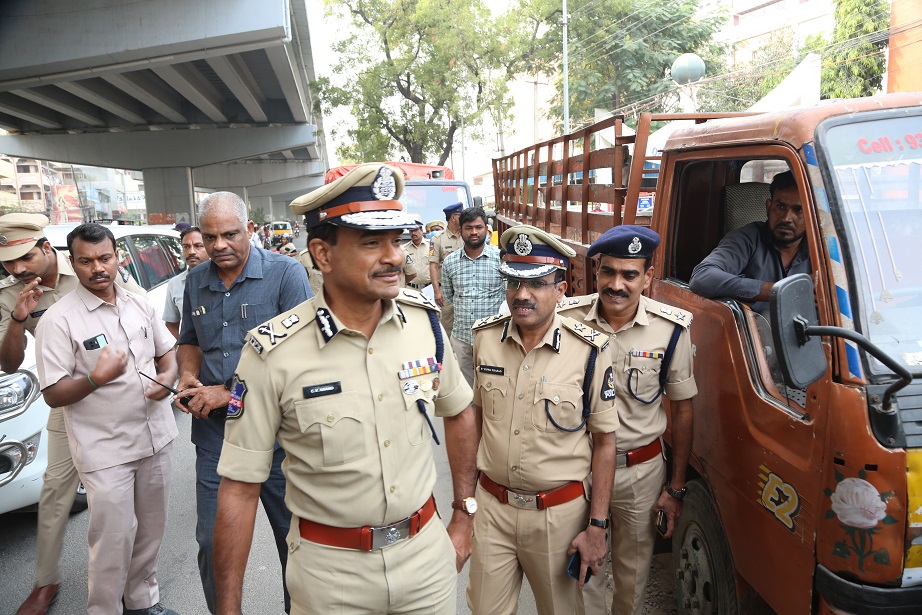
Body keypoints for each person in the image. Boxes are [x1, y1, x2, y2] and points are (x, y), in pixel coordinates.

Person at [212, 163, 478, 614]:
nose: (394, 257)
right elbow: (239, 488)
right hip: (330, 578)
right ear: (323, 254)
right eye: (372, 243)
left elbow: (460, 412)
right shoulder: (273, 353)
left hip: (426, 563)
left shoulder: (425, 326)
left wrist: (463, 516)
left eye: (396, 240)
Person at [467, 224, 619, 615]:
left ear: (561, 288)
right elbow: (478, 423)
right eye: (513, 282)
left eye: (536, 283)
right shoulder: (485, 339)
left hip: (559, 518)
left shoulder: (589, 351)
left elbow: (605, 443)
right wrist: (465, 506)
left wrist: (597, 527)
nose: (522, 295)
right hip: (493, 509)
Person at [0, 213, 147, 615]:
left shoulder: (91, 262)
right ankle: (45, 581)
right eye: (8, 262)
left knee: (127, 494)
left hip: (121, 395)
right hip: (69, 398)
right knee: (54, 490)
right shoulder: (11, 293)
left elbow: (138, 313)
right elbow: (9, 363)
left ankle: (130, 581)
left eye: (26, 257)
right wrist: (18, 319)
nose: (18, 269)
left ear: (47, 247)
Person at [175, 192, 312, 614]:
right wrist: (187, 374)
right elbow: (189, 340)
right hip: (216, 438)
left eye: (230, 234)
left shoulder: (286, 274)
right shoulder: (196, 279)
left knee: (296, 541)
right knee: (212, 543)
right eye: (210, 237)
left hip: (279, 440)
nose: (219, 245)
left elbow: (301, 357)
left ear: (250, 229)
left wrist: (229, 391)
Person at [34, 223, 179, 615]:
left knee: (150, 530)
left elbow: (167, 352)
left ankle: (142, 603)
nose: (97, 268)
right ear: (72, 263)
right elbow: (53, 393)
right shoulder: (58, 320)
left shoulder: (138, 304)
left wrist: (168, 378)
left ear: (118, 258)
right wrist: (96, 378)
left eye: (105, 258)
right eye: (86, 261)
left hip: (156, 436)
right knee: (113, 540)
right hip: (105, 448)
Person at [558, 225, 697, 615]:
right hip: (577, 469)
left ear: (647, 278)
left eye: (629, 275)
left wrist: (676, 488)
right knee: (582, 575)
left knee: (632, 578)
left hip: (640, 474)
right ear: (596, 270)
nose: (616, 285)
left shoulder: (671, 330)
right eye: (608, 271)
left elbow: (683, 410)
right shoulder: (566, 321)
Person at [688, 170, 810, 313]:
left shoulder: (822, 250)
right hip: (752, 326)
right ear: (768, 207)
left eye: (798, 210)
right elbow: (702, 277)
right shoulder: (747, 238)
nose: (786, 218)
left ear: (812, 215)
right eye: (780, 207)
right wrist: (779, 290)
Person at [441, 206, 503, 386]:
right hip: (462, 338)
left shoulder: (500, 259)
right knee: (466, 389)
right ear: (460, 230)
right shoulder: (450, 262)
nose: (474, 232)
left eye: (478, 227)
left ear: (486, 228)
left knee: (492, 386)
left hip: (492, 337)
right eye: (468, 228)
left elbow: (507, 294)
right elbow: (449, 296)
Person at [163, 226, 209, 341]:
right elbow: (172, 325)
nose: (191, 251)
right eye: (186, 247)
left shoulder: (224, 278)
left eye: (198, 246)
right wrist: (177, 350)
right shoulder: (175, 284)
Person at [429, 202, 463, 336]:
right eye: (460, 215)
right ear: (453, 217)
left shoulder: (466, 235)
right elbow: (433, 266)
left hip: (464, 288)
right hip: (446, 291)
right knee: (447, 326)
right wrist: (436, 291)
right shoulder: (437, 239)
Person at [404, 221, 432, 290]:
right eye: (411, 231)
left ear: (422, 230)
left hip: (429, 287)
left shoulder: (431, 245)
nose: (413, 233)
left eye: (415, 230)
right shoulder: (404, 249)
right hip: (411, 288)